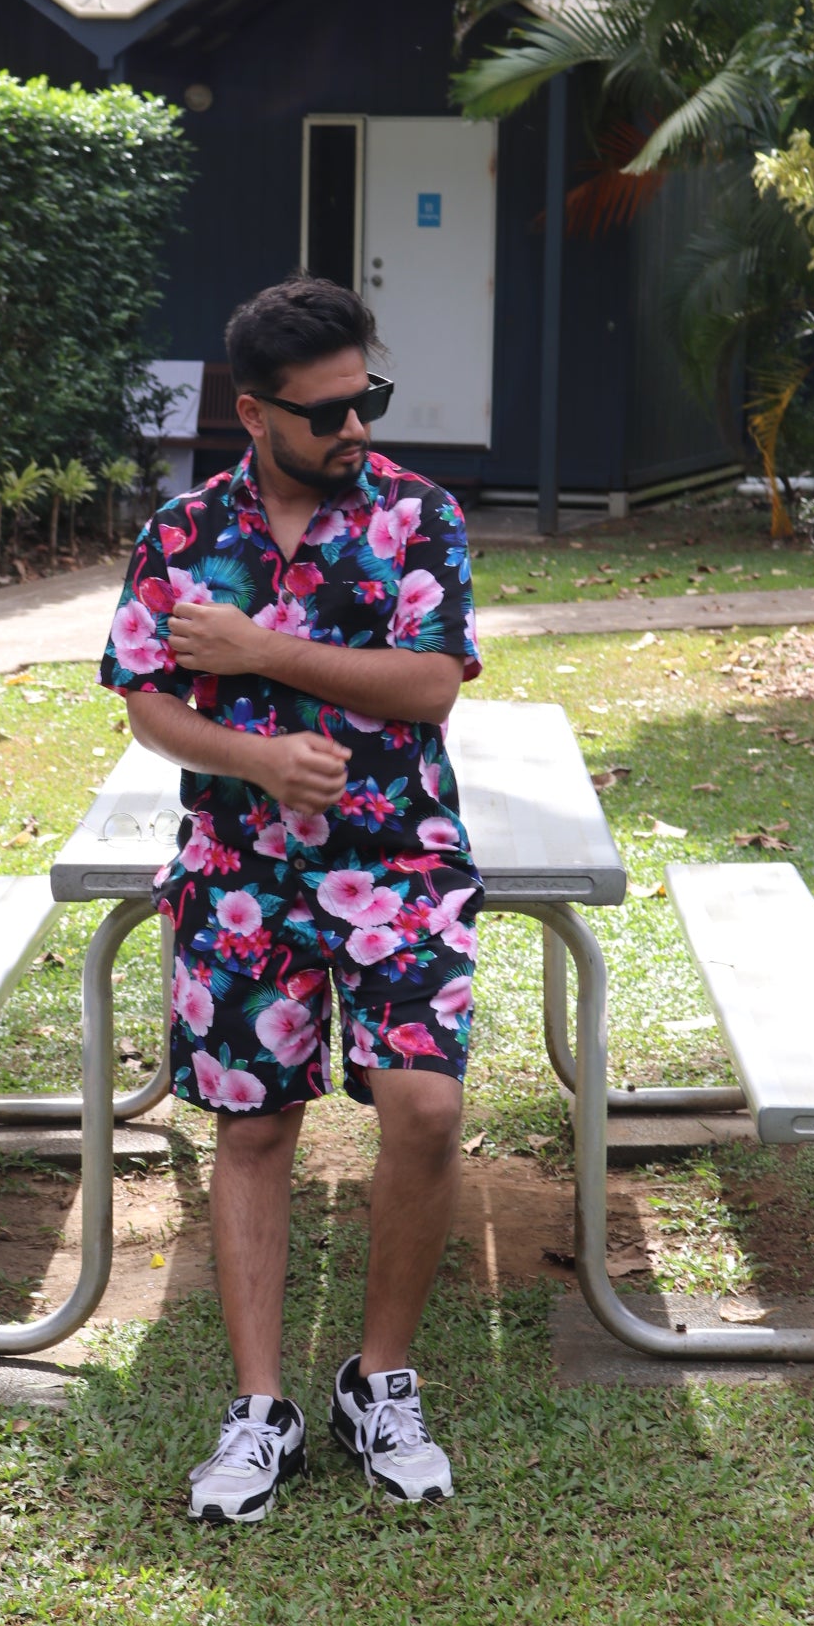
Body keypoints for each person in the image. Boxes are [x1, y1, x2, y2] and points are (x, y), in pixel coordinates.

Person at [99, 275, 482, 1523]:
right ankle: (260, 1408)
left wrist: (260, 653)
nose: (354, 427)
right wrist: (255, 759)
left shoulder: (418, 516)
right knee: (254, 1128)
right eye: (325, 412)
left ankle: (379, 1381)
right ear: (256, 413)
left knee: (424, 1107)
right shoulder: (180, 535)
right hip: (237, 873)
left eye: (367, 398)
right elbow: (147, 702)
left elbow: (430, 684)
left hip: (401, 860)